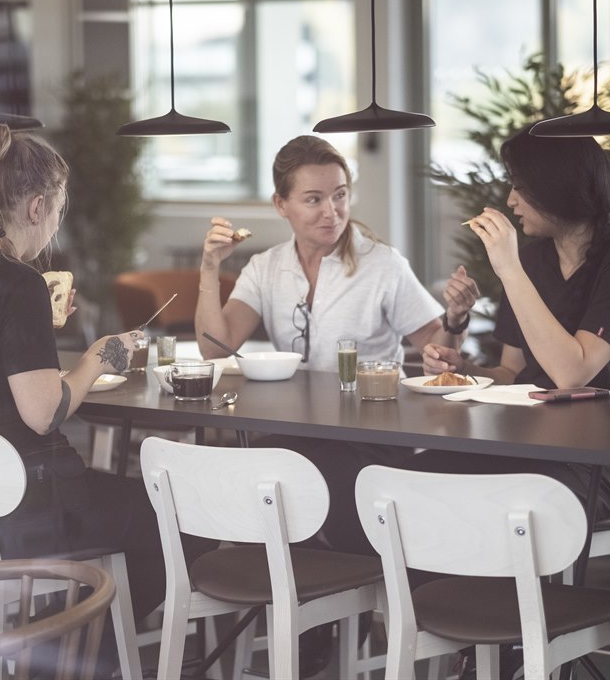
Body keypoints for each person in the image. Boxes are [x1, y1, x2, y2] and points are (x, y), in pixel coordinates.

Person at [0, 124, 205, 643]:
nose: (55, 227)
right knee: (179, 518)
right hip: (22, 501)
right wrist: (95, 356)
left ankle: (67, 638)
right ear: (36, 207)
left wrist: (38, 331)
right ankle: (84, 648)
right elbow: (42, 413)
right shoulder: (18, 283)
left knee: (132, 512)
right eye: (58, 212)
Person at [195, 134, 475, 549]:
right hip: (298, 432)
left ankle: (345, 588)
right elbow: (216, 347)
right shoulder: (265, 267)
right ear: (281, 205)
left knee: (290, 476)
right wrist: (208, 268)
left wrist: (455, 319)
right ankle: (299, 593)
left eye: (340, 195)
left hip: (370, 439)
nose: (332, 212)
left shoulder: (383, 265)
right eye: (313, 199)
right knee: (247, 475)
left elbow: (438, 345)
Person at [412, 126, 610, 522]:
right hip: (528, 446)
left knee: (490, 501)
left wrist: (508, 268)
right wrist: (465, 370)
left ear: (558, 187)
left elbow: (571, 373)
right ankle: (438, 586)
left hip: (602, 461)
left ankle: (501, 585)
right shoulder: (533, 260)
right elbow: (512, 373)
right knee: (417, 478)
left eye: (521, 187)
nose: (511, 200)